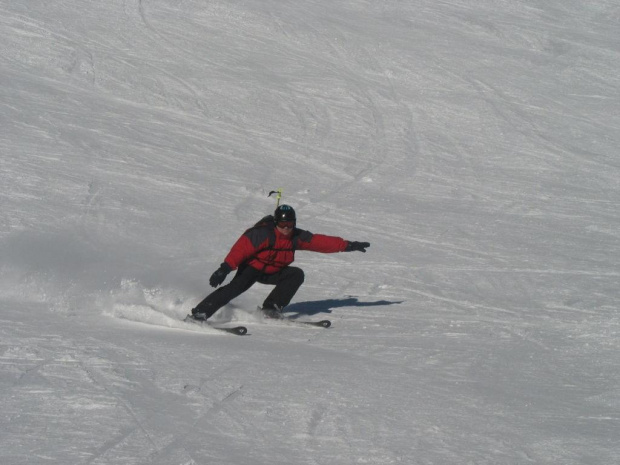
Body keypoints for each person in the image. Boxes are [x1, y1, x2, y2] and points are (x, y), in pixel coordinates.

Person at [189, 205, 370, 321]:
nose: (286, 228)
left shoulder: (296, 237)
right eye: (282, 224)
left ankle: (271, 308)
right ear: (276, 222)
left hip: (273, 271)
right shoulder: (262, 234)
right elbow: (241, 249)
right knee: (234, 288)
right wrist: (225, 268)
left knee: (295, 274)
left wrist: (348, 245)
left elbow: (320, 242)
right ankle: (200, 313)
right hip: (252, 268)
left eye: (290, 224)